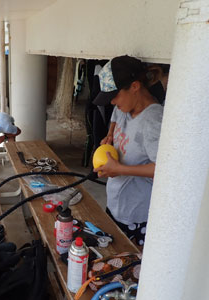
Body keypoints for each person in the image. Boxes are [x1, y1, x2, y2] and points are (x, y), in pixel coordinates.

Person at [93, 55, 163, 247]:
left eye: (114, 96)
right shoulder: (125, 106)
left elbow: (163, 170)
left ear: (135, 86)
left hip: (135, 214)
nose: (113, 102)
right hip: (116, 203)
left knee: (128, 266)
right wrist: (109, 136)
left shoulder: (153, 121)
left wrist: (120, 169)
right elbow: (116, 116)